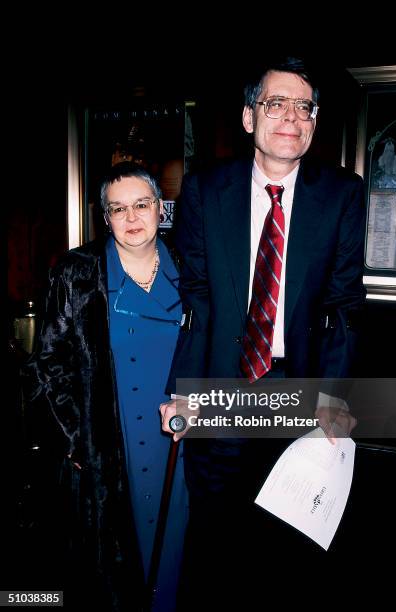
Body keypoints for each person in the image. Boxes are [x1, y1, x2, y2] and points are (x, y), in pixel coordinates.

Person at [160, 58, 365, 605]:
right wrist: (182, 390)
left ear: (314, 123)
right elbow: (196, 300)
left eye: (304, 107)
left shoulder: (343, 193)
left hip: (297, 394)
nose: (291, 118)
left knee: (286, 555)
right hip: (222, 393)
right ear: (250, 117)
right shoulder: (205, 192)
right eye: (277, 104)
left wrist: (334, 398)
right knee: (215, 548)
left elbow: (345, 304)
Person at [23, 161, 188, 611]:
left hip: (180, 447)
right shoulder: (75, 272)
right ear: (105, 217)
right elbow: (46, 366)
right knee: (110, 572)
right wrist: (78, 444)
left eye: (141, 205)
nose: (132, 219)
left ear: (160, 208)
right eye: (119, 209)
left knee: (175, 558)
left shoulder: (194, 269)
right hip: (109, 452)